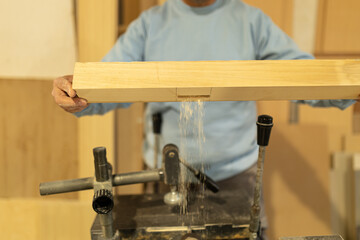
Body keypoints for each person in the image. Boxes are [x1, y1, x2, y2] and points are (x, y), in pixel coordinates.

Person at [52, 0, 355, 238]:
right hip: (166, 177)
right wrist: (74, 93)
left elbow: (305, 79)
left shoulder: (251, 21)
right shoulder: (150, 24)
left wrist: (350, 90)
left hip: (238, 176)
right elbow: (103, 88)